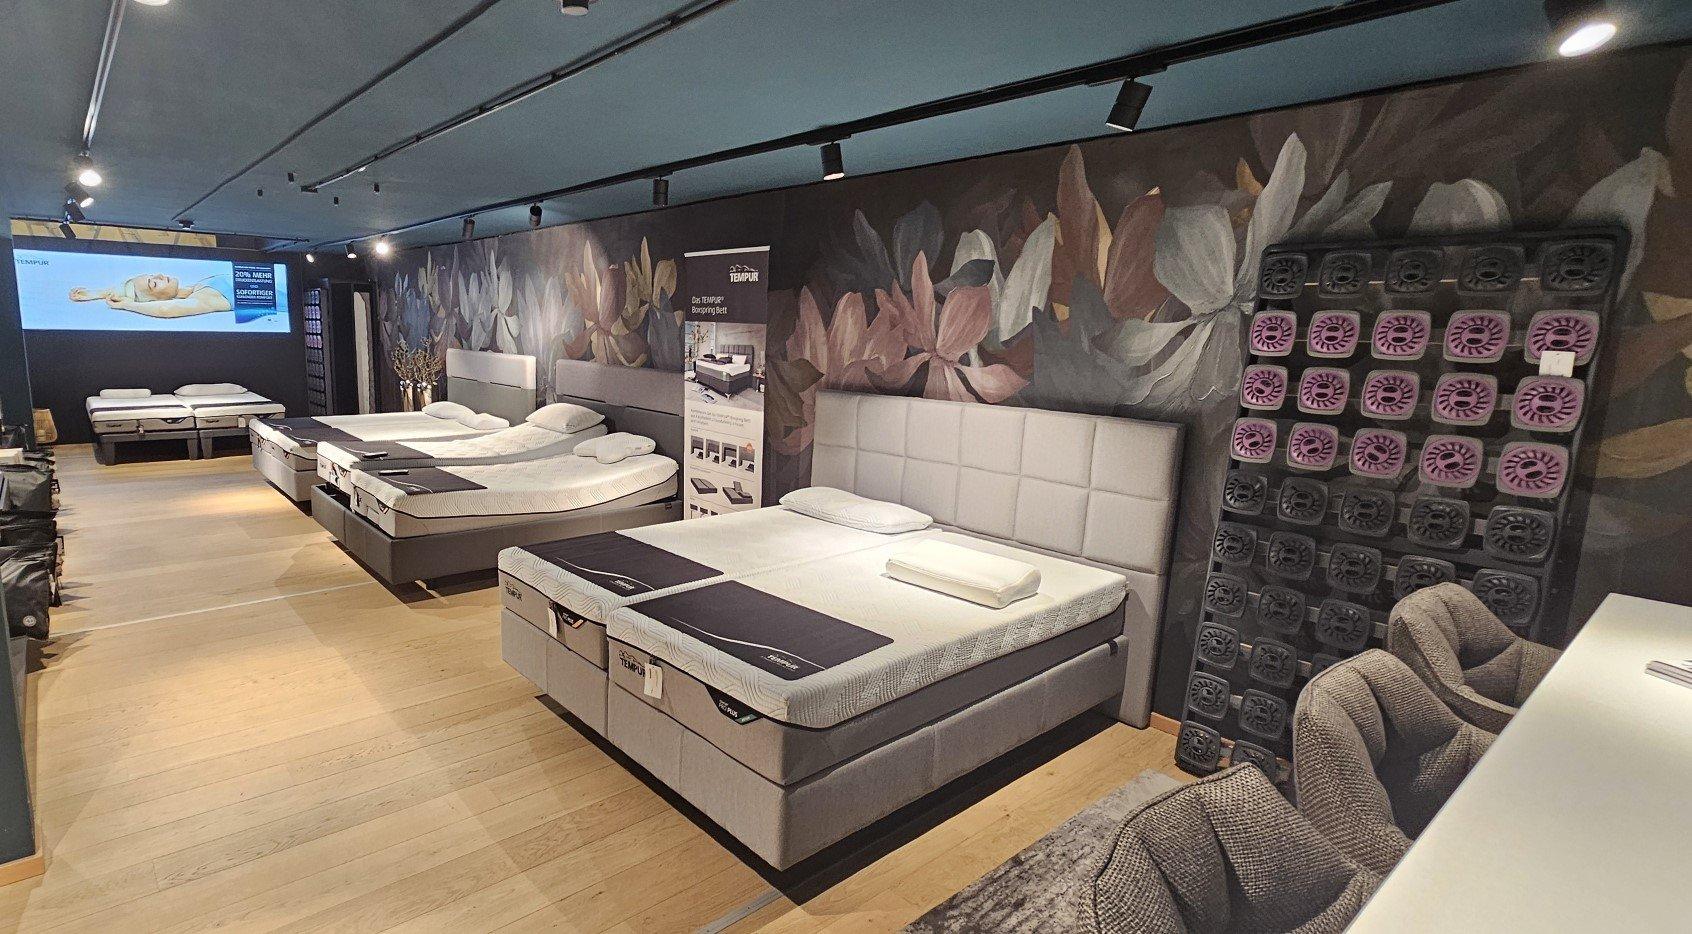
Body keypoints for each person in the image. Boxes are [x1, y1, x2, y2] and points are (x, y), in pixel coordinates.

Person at [68, 273, 232, 318]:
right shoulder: (206, 298)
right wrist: (126, 304)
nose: (160, 276)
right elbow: (165, 310)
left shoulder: (195, 289)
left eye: (153, 276)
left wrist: (98, 293)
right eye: (154, 284)